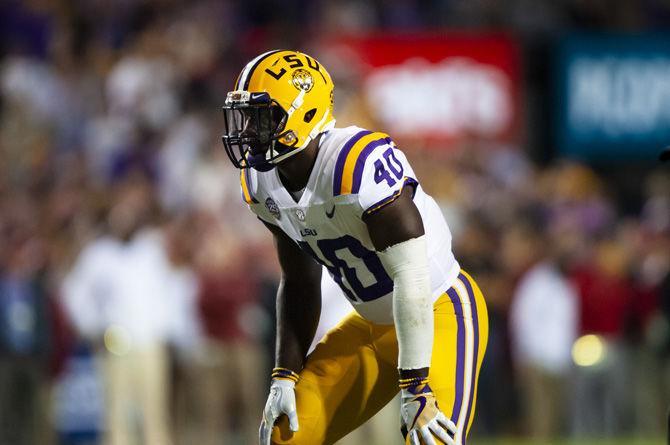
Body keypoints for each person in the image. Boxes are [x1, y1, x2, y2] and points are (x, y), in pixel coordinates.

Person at [221, 50, 489, 445]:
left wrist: (416, 386)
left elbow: (412, 276)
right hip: (369, 325)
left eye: (263, 117)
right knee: (285, 438)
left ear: (303, 114)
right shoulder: (262, 184)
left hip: (438, 309)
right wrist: (284, 375)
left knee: (434, 440)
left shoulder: (355, 164)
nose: (248, 131)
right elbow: (298, 281)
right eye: (246, 117)